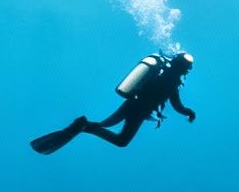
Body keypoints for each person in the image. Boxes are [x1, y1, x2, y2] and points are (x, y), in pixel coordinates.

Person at [32, 51, 196, 154]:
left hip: (130, 105)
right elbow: (177, 106)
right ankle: (84, 125)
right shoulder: (171, 83)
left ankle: (85, 125)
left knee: (104, 126)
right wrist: (189, 112)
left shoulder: (162, 75)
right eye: (187, 68)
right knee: (121, 141)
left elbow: (174, 104)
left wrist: (187, 111)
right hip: (138, 111)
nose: (187, 71)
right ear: (183, 68)